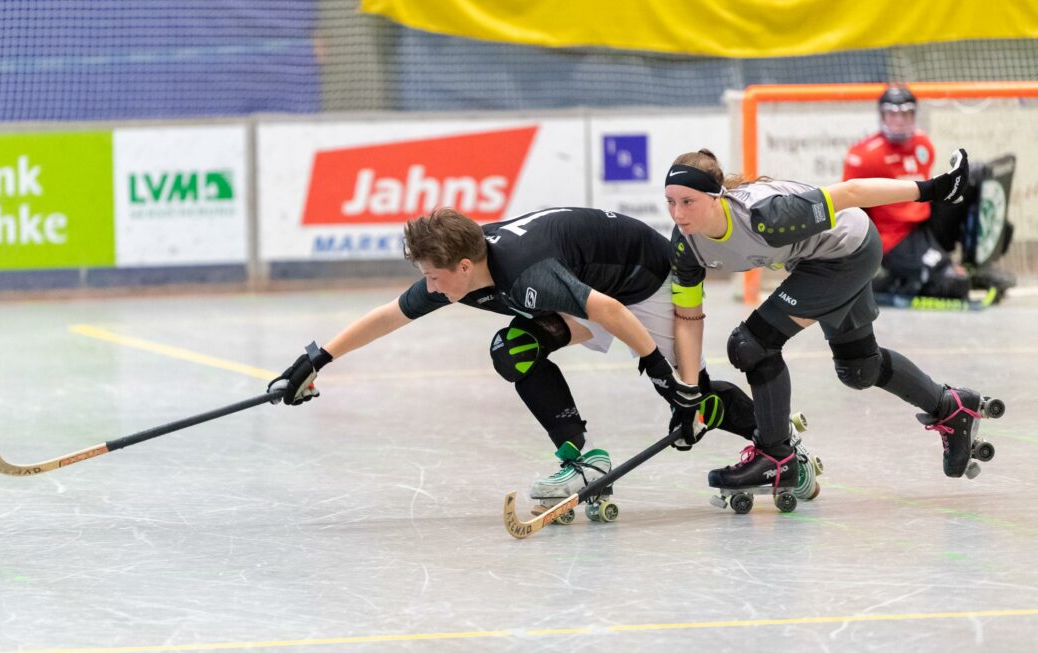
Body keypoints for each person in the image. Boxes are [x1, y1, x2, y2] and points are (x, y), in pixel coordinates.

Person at [267, 206, 823, 518]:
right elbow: (391, 315)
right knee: (513, 348)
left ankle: (783, 452)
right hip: (589, 285)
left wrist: (659, 368)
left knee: (689, 397)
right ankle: (581, 458)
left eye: (434, 278)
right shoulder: (461, 270)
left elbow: (606, 310)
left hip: (643, 282)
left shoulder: (526, 274)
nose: (428, 287)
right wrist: (316, 360)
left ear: (463, 266)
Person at [665, 146, 1004, 503]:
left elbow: (852, 193)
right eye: (670, 202)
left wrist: (932, 188)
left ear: (717, 197)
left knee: (751, 344)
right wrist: (689, 393)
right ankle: (951, 407)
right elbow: (687, 319)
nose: (677, 213)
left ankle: (776, 456)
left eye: (688, 202)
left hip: (849, 252)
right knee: (859, 369)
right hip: (815, 260)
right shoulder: (686, 246)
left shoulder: (765, 216)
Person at [842, 85, 1016, 301]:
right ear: (882, 115)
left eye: (905, 114)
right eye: (892, 114)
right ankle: (889, 282)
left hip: (923, 224)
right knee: (955, 285)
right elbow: (851, 209)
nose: (899, 120)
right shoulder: (865, 156)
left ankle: (973, 265)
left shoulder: (922, 145)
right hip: (894, 238)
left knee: (973, 178)